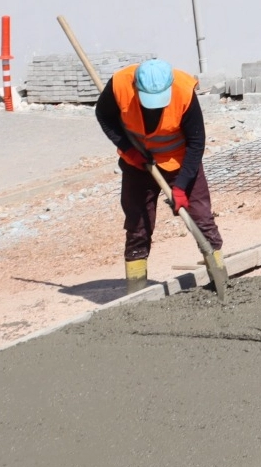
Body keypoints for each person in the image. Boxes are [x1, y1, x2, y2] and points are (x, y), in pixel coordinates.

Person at [95, 59, 223, 294]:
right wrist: (128, 150)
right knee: (138, 226)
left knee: (202, 219)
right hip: (138, 164)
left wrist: (181, 186)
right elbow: (104, 117)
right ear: (136, 87)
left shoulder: (184, 91)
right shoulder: (120, 85)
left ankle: (220, 280)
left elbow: (196, 143)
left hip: (180, 163)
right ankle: (136, 291)